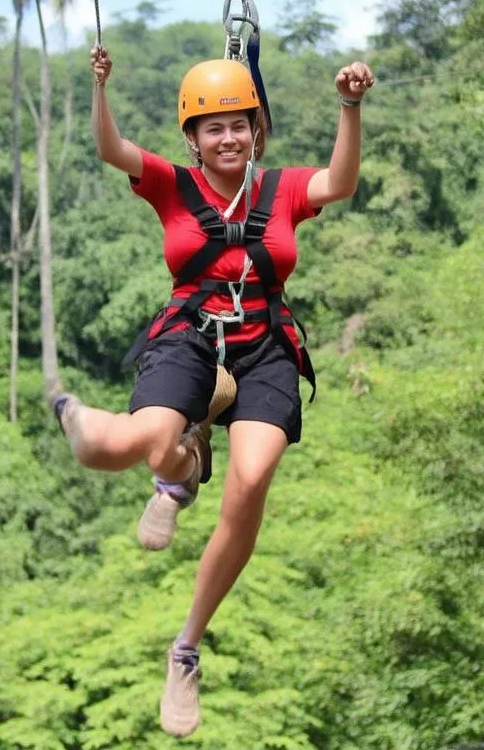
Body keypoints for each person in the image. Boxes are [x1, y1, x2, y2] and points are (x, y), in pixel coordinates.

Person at [51, 46, 374, 738]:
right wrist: (99, 88)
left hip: (263, 347)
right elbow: (111, 149)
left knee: (253, 476)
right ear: (192, 139)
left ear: (257, 132)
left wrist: (349, 108)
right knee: (142, 441)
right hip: (191, 335)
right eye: (213, 128)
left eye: (240, 126)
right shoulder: (171, 185)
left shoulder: (281, 188)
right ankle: (131, 449)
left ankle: (186, 646)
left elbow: (339, 183)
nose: (228, 138)